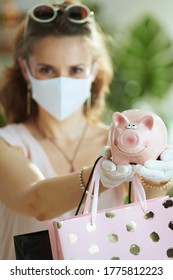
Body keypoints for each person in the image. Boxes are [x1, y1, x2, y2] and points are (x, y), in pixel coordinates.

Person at [0, 0, 173, 260]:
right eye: (47, 69)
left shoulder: (118, 143)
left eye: (75, 70)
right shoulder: (7, 143)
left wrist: (158, 179)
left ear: (93, 70)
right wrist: (97, 178)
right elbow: (35, 201)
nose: (62, 81)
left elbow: (148, 215)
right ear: (26, 69)